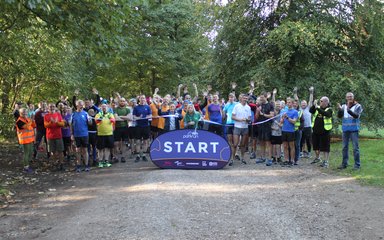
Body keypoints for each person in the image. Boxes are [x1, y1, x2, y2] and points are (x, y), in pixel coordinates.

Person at [337, 92, 363, 170]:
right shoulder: (343, 106)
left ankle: (357, 165)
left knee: (355, 148)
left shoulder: (358, 106)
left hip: (354, 130)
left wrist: (349, 111)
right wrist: (339, 110)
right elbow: (339, 116)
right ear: (346, 98)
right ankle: (344, 164)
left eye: (351, 96)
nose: (349, 98)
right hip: (345, 130)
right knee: (344, 147)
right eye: (348, 97)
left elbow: (356, 116)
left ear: (353, 97)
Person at [310, 96, 333, 168]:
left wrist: (317, 107)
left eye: (321, 101)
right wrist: (314, 105)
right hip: (316, 131)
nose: (320, 102)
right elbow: (311, 111)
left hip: (325, 131)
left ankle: (326, 161)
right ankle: (317, 158)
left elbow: (326, 114)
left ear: (326, 102)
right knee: (316, 146)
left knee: (325, 147)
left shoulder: (329, 109)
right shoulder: (317, 108)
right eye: (320, 101)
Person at [231, 94, 252, 166]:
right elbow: (232, 117)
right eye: (244, 98)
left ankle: (243, 158)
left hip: (245, 127)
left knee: (243, 145)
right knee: (235, 144)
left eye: (246, 98)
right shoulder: (237, 106)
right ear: (241, 99)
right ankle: (232, 159)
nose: (245, 99)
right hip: (237, 127)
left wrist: (248, 120)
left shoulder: (248, 107)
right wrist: (240, 120)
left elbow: (249, 118)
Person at [44, 103, 66, 171]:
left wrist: (56, 122)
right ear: (48, 108)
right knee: (52, 151)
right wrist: (51, 122)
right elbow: (45, 125)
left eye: (53, 106)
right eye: (50, 106)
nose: (52, 107)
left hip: (58, 135)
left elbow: (62, 124)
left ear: (55, 107)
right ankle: (54, 164)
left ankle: (61, 164)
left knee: (60, 151)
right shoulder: (46, 116)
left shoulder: (58, 115)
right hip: (50, 136)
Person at [255, 91, 275, 164]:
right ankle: (262, 157)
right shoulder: (259, 105)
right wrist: (257, 111)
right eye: (260, 98)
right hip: (260, 127)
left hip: (268, 127)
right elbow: (257, 117)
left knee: (268, 143)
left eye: (262, 97)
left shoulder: (270, 105)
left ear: (266, 97)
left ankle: (269, 158)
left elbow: (272, 115)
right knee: (261, 142)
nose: (261, 99)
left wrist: (263, 114)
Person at [71, 100, 91, 172]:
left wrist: (90, 120)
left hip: (84, 134)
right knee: (78, 150)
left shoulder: (86, 114)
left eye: (82, 104)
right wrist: (72, 134)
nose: (81, 106)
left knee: (85, 150)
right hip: (76, 135)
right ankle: (78, 165)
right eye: (79, 104)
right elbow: (71, 125)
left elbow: (90, 123)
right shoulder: (73, 114)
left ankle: (86, 165)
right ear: (76, 105)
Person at [16, 108, 36, 173]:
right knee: (26, 153)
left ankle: (28, 164)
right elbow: (26, 126)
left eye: (26, 112)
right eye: (23, 113)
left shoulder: (28, 119)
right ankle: (26, 167)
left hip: (30, 139)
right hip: (24, 140)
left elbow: (34, 126)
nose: (25, 114)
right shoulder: (19, 121)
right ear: (20, 113)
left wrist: (33, 120)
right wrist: (31, 120)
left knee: (30, 152)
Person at [133, 95, 152, 162]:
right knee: (138, 141)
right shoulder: (136, 107)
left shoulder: (148, 107)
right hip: (138, 126)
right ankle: (138, 155)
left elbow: (150, 115)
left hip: (146, 126)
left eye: (144, 98)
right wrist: (139, 117)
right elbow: (134, 117)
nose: (142, 99)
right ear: (139, 99)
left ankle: (144, 155)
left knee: (145, 141)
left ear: (145, 99)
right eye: (141, 98)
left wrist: (147, 117)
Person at [280, 98, 298, 167]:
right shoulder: (284, 111)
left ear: (293, 103)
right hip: (284, 130)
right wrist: (283, 118)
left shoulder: (295, 112)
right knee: (285, 146)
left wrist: (287, 118)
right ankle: (286, 160)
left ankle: (292, 160)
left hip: (291, 131)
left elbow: (294, 121)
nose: (288, 103)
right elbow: (281, 122)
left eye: (290, 102)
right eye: (287, 102)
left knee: (291, 146)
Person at [113, 97, 131, 163]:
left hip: (125, 127)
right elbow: (116, 118)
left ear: (125, 102)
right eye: (121, 101)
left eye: (123, 101)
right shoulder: (115, 109)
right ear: (119, 102)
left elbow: (130, 118)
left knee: (124, 143)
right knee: (116, 143)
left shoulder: (127, 109)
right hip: (117, 128)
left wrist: (120, 116)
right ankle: (116, 157)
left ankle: (123, 157)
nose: (122, 102)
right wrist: (125, 118)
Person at [223, 93, 238, 161]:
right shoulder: (226, 105)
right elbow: (223, 114)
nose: (231, 98)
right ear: (228, 98)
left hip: (236, 124)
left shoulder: (237, 104)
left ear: (234, 98)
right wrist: (223, 116)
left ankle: (235, 154)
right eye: (230, 97)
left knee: (235, 142)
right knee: (230, 141)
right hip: (228, 124)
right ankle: (232, 156)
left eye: (232, 97)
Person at [300, 87, 314, 158]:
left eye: (304, 103)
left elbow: (310, 100)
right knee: (301, 140)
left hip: (308, 127)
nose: (303, 104)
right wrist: (295, 93)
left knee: (308, 141)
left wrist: (311, 93)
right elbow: (296, 99)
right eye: (302, 104)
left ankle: (309, 152)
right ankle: (301, 153)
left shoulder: (308, 108)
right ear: (301, 104)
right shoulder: (299, 109)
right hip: (301, 127)